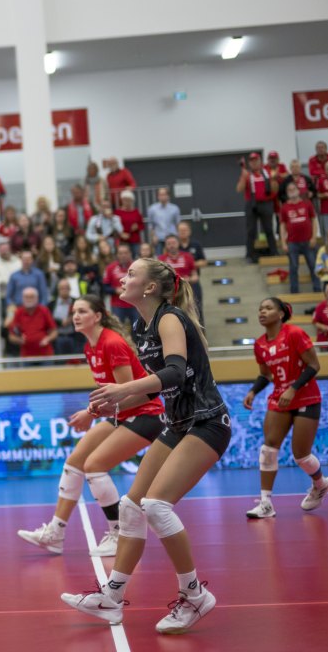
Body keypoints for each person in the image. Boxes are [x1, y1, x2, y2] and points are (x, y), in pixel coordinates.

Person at [62, 258, 230, 635]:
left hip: (206, 421)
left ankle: (194, 594)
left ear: (151, 287)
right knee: (131, 506)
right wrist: (115, 402)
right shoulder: (141, 324)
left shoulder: (170, 318)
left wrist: (124, 390)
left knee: (156, 504)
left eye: (132, 274)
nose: (123, 278)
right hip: (177, 422)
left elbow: (172, 371)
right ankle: (112, 597)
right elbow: (161, 386)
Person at [18, 294, 165, 557]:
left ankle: (119, 532)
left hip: (146, 414)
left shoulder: (112, 343)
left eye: (82, 311)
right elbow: (112, 399)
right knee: (75, 461)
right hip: (123, 413)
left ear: (97, 316)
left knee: (95, 465)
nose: (75, 316)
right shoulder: (90, 347)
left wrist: (90, 413)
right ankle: (56, 533)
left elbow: (128, 394)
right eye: (74, 311)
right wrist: (92, 412)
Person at [244, 297, 328, 518]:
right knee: (268, 449)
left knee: (301, 456)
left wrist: (293, 388)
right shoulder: (260, 344)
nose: (262, 312)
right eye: (260, 308)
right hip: (279, 398)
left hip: (305, 397)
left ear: (281, 313)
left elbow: (314, 365)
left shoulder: (294, 334)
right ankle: (265, 503)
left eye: (268, 308)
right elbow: (266, 374)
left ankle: (320, 484)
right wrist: (253, 391)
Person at [277, 182, 320, 294]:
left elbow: (314, 220)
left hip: (308, 241)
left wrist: (314, 237)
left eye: (293, 189)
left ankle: (317, 289)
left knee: (313, 265)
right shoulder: (285, 207)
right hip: (292, 242)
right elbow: (282, 226)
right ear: (287, 193)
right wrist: (283, 243)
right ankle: (294, 292)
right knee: (293, 268)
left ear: (298, 190)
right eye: (289, 190)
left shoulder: (307, 203)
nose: (292, 191)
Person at [7, 288, 58, 365]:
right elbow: (11, 336)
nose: (29, 299)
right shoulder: (18, 312)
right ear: (22, 298)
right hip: (26, 356)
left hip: (45, 355)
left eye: (31, 297)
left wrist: (47, 339)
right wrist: (20, 340)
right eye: (26, 297)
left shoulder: (44, 311)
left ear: (37, 298)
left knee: (48, 377)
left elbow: (54, 332)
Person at [102, 245, 137, 326]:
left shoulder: (137, 267)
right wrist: (115, 290)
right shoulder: (110, 268)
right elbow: (104, 287)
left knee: (137, 331)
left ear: (130, 254)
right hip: (117, 305)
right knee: (118, 330)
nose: (123, 255)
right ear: (117, 255)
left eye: (125, 253)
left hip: (135, 304)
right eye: (120, 253)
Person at [48, 279, 79, 357]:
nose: (65, 290)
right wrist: (60, 322)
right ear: (58, 290)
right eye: (62, 288)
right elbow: (48, 320)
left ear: (70, 289)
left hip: (74, 337)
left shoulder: (77, 302)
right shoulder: (51, 304)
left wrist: (71, 318)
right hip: (58, 338)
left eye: (67, 288)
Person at [116, 191, 144, 256]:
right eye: (125, 200)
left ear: (132, 201)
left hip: (135, 240)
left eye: (129, 200)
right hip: (123, 240)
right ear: (122, 200)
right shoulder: (118, 212)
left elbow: (142, 225)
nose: (127, 202)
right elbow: (114, 226)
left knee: (136, 257)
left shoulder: (136, 212)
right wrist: (121, 234)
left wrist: (137, 227)